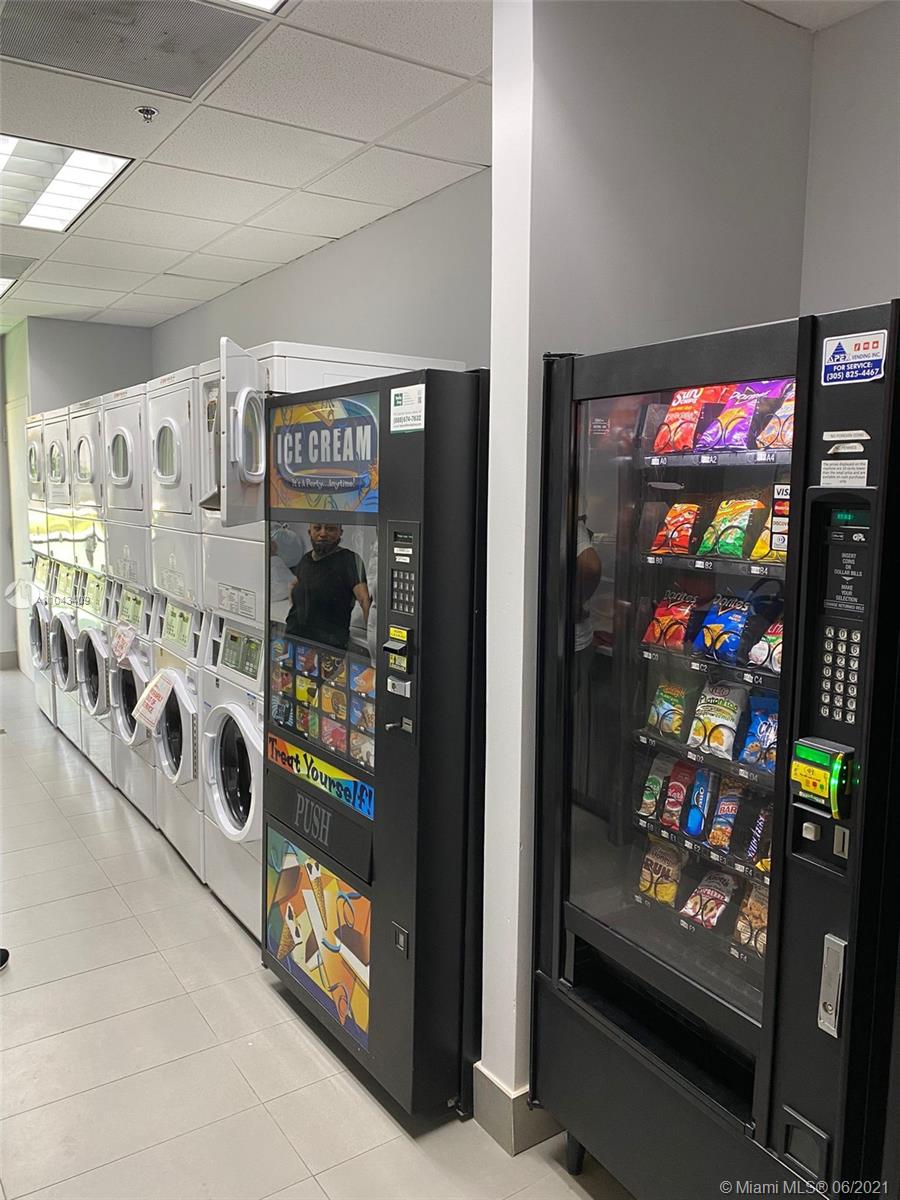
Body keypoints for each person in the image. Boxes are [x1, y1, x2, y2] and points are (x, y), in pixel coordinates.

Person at [286, 523, 371, 650]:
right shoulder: (306, 559)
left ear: (340, 532)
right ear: (309, 532)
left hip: (327, 646)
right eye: (317, 528)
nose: (323, 534)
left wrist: (374, 642)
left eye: (330, 529)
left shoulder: (349, 560)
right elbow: (294, 586)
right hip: (294, 638)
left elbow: (364, 600)